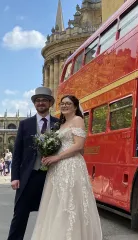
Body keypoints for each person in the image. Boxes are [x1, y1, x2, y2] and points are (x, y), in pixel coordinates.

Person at [30, 94, 102, 240]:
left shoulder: (78, 120)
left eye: (68, 103)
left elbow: (79, 145)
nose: (64, 105)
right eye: (62, 103)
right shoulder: (60, 125)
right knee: (57, 204)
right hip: (57, 168)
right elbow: (60, 145)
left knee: (70, 203)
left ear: (75, 106)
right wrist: (48, 153)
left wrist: (57, 157)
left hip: (71, 166)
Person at [7, 87, 60, 240]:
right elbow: (17, 153)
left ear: (50, 103)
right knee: (20, 215)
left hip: (51, 176)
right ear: (34, 104)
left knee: (50, 215)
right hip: (27, 177)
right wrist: (15, 176)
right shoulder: (25, 124)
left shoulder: (58, 124)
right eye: (37, 100)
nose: (40, 103)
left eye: (44, 100)